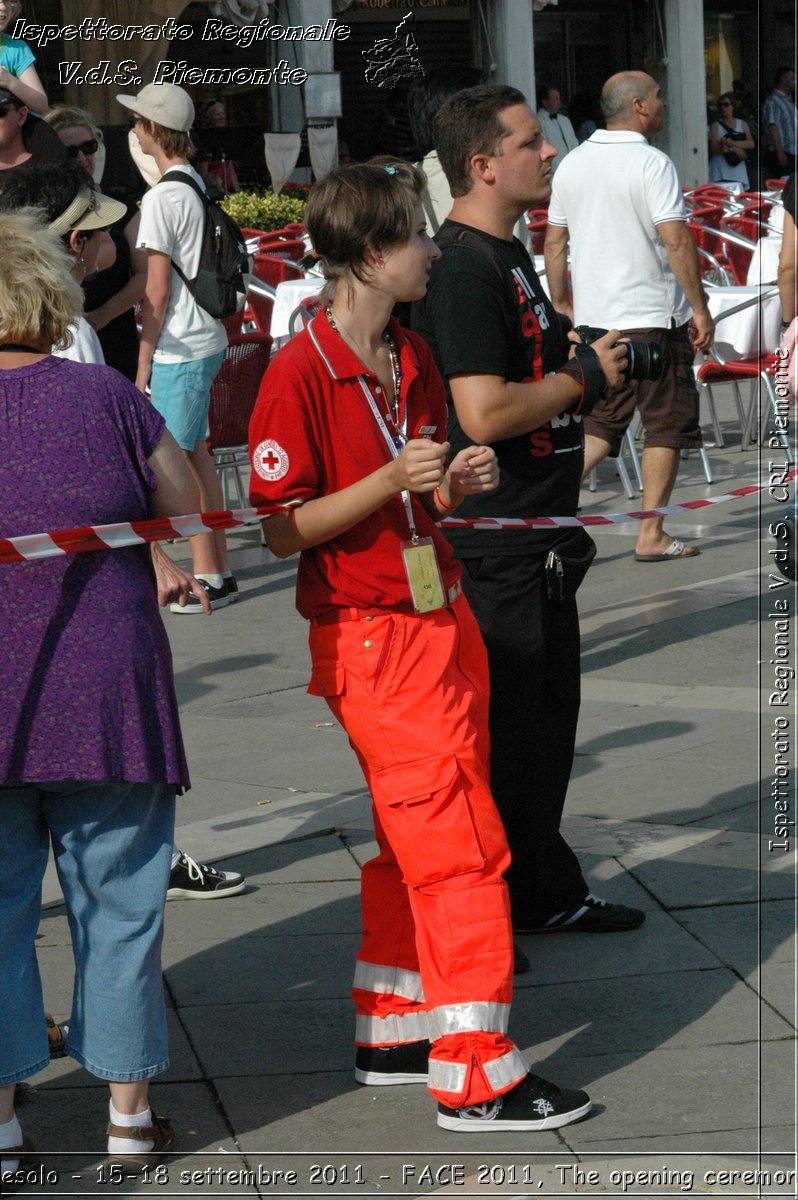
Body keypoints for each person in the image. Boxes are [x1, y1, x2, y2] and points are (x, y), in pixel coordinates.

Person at [249, 157, 592, 1133]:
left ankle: (396, 1025)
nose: (434, 249)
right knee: (460, 848)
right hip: (376, 636)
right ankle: (476, 1073)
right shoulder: (301, 370)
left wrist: (455, 483)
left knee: (425, 836)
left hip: (434, 614)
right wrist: (398, 478)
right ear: (369, 253)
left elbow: (424, 491)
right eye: (415, 235)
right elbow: (281, 528)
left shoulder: (410, 354)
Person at [0, 207, 214, 1177]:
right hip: (108, 695)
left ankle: (3, 1125)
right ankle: (128, 1117)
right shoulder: (106, 399)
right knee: (121, 908)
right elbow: (185, 503)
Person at [412, 84, 643, 938]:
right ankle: (494, 913)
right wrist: (583, 379)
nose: (549, 153)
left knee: (544, 732)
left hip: (536, 540)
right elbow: (483, 412)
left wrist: (575, 368)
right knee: (507, 737)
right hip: (495, 548)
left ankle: (542, 888)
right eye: (530, 143)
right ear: (482, 165)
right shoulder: (465, 265)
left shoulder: (506, 254)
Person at [0, 160, 247, 907]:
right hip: (99, 669)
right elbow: (163, 492)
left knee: (10, 922)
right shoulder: (94, 378)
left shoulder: (90, 372)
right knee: (118, 924)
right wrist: (154, 546)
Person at [545, 70, 715, 562]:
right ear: (639, 106)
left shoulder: (572, 164)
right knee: (666, 424)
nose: (664, 104)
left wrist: (563, 305)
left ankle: (546, 513)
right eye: (659, 96)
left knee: (601, 425)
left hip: (599, 321)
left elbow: (555, 242)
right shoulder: (651, 162)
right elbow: (676, 238)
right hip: (652, 317)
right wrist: (700, 309)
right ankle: (652, 532)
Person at [116, 82, 236, 614]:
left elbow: (156, 290)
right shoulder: (192, 181)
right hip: (204, 337)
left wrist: (142, 360)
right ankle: (218, 569)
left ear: (151, 129)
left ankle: (209, 574)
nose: (133, 130)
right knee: (197, 457)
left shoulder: (163, 194)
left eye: (138, 121)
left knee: (180, 465)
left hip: (181, 346)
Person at [44, 104, 146, 381]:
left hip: (118, 340)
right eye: (70, 151)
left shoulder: (124, 208)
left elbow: (144, 274)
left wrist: (103, 315)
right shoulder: (42, 211)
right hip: (63, 344)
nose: (81, 157)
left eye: (88, 147)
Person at [0, 0, 47, 113]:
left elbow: (41, 105)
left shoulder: (17, 49)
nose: (3, 7)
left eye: (6, 1)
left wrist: (9, 81)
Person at [707, 93, 754, 188]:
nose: (723, 107)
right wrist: (734, 149)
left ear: (733, 106)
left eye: (726, 104)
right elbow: (714, 148)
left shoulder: (742, 124)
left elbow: (751, 143)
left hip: (738, 170)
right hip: (720, 170)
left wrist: (732, 143)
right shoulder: (715, 125)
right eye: (720, 105)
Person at [763, 67, 797, 178]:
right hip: (783, 152)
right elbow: (773, 127)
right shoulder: (773, 101)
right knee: (783, 184)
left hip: (793, 151)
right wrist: (780, 153)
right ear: (783, 79)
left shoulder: (788, 100)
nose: (795, 81)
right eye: (792, 78)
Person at [536, 85, 578, 174]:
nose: (559, 102)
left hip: (572, 170)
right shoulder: (538, 121)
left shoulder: (565, 120)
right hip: (554, 173)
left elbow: (574, 144)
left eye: (559, 99)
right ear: (545, 102)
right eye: (555, 100)